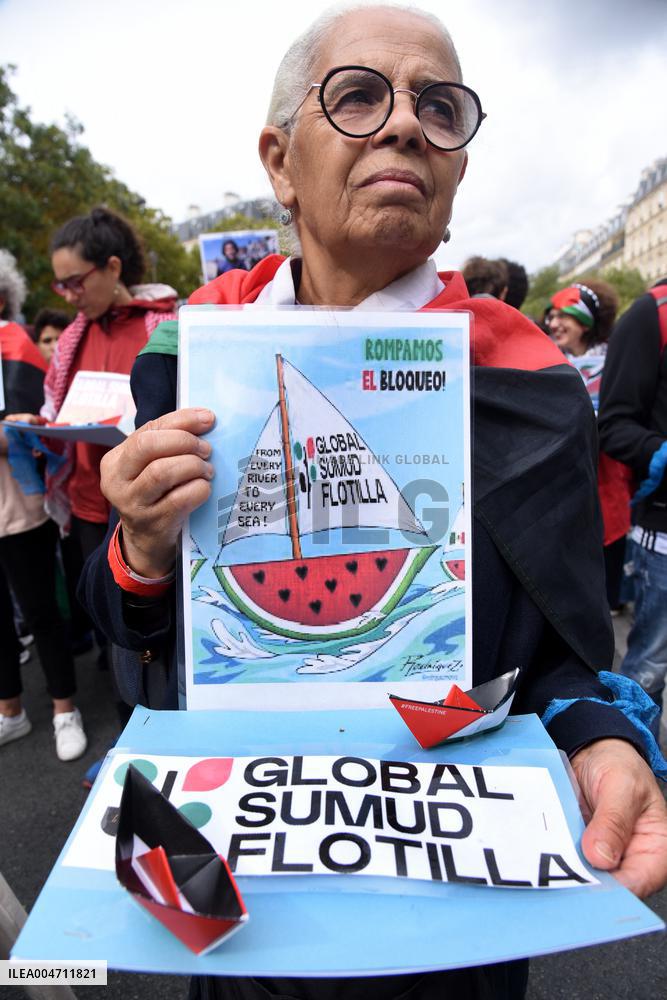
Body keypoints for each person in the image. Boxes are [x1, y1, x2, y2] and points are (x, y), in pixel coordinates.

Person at [78, 6, 667, 998]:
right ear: (280, 163)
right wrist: (138, 549)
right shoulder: (186, 361)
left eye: (439, 109)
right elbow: (130, 626)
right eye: (357, 97)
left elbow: (561, 657)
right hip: (238, 864)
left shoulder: (526, 378)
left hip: (454, 887)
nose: (403, 125)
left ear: (457, 167)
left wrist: (599, 735)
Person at [9, 208, 178, 671]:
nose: (69, 295)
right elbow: (56, 410)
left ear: (113, 267)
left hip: (148, 507)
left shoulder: (167, 327)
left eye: (76, 282)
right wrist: (38, 423)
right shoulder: (70, 340)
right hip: (89, 505)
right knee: (107, 619)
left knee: (154, 624)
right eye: (60, 286)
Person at [0, 250, 86, 760]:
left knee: (39, 610)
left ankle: (64, 710)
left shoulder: (15, 345)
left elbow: (27, 428)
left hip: (21, 507)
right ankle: (11, 710)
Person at [598, 277, 667, 735]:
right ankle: (641, 762)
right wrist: (660, 453)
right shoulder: (651, 314)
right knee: (648, 672)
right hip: (662, 535)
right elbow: (614, 424)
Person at [549, 281, 631, 610]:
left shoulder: (617, 362)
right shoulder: (547, 360)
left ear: (584, 322)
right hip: (562, 481)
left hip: (607, 479)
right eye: (552, 316)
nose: (553, 323)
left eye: (563, 315)